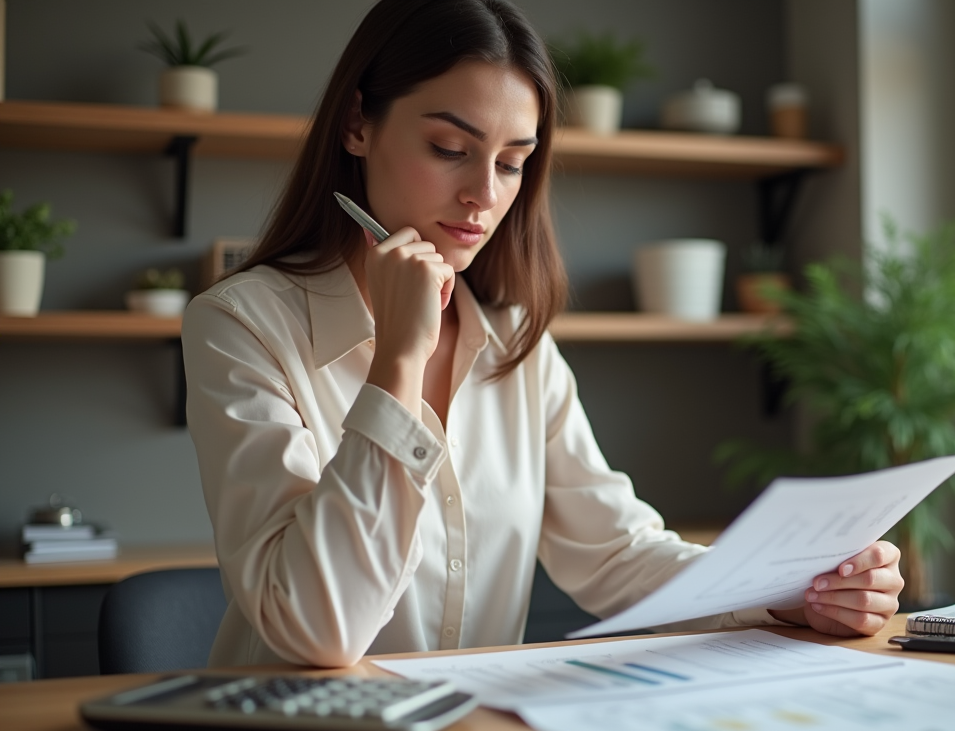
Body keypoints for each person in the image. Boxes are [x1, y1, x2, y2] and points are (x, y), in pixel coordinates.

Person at [183, 0, 903, 669]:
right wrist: (398, 361)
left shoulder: (516, 341)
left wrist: (792, 590)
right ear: (357, 125)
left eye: (511, 163)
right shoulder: (242, 325)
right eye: (448, 147)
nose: (484, 195)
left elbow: (616, 550)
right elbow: (317, 628)